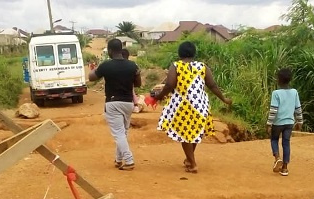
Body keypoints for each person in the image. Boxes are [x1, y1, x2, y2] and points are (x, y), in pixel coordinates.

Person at [151, 41, 232, 173]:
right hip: (201, 106)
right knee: (194, 133)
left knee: (185, 135)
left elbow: (170, 85)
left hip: (182, 106)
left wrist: (158, 96)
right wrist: (224, 99)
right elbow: (212, 85)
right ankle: (189, 159)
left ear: (179, 53)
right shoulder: (202, 66)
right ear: (194, 53)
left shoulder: (175, 66)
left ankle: (193, 163)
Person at [89, 39, 142, 171]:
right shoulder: (132, 65)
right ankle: (118, 160)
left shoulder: (106, 65)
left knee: (119, 133)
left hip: (113, 103)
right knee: (123, 132)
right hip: (128, 103)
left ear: (110, 50)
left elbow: (91, 77)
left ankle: (129, 161)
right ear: (121, 48)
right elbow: (138, 84)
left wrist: (96, 68)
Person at [266, 68, 303, 176]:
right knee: (286, 143)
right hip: (289, 122)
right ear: (289, 80)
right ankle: (285, 168)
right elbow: (298, 108)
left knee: (274, 139)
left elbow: (273, 110)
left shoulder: (276, 93)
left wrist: (269, 123)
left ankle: (277, 158)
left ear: (279, 80)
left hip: (278, 122)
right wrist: (300, 121)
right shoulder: (294, 92)